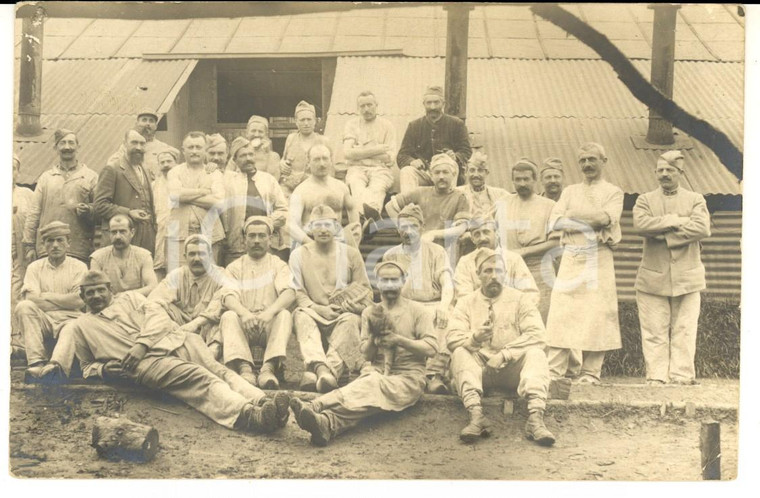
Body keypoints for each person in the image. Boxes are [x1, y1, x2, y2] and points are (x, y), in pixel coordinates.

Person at [69, 270, 290, 433]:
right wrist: (104, 369)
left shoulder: (130, 298)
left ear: (111, 290)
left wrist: (142, 343)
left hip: (176, 340)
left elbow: (159, 318)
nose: (96, 296)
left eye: (100, 290)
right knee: (200, 378)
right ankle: (247, 415)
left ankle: (264, 403)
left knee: (219, 370)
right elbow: (87, 367)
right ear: (83, 298)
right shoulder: (80, 326)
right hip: (147, 364)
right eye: (90, 293)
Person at [290, 260, 437, 446]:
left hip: (408, 378)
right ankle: (326, 423)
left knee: (372, 384)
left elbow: (431, 348)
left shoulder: (418, 311)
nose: (390, 285)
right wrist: (374, 341)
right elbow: (366, 355)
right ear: (377, 282)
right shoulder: (370, 312)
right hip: (375, 372)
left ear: (404, 280)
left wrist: (399, 340)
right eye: (385, 280)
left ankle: (317, 404)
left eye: (394, 280)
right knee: (368, 391)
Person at [447, 248, 555, 446]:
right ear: (478, 275)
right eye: (487, 271)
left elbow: (538, 334)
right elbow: (452, 337)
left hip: (512, 372)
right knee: (460, 352)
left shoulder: (520, 299)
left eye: (498, 271)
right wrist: (474, 338)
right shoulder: (465, 302)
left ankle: (536, 419)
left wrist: (506, 354)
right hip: (480, 372)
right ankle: (476, 416)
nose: (494, 276)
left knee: (536, 353)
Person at [545, 143, 624, 385]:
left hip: (599, 255)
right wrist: (588, 219)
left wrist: (573, 217)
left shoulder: (614, 192)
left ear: (604, 160)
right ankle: (554, 371)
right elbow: (555, 222)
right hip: (572, 254)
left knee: (597, 312)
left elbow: (605, 218)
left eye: (592, 159)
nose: (587, 165)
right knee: (561, 310)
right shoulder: (569, 191)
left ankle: (590, 373)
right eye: (583, 161)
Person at [633, 150, 711, 385]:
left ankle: (681, 375)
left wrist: (664, 235)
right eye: (660, 170)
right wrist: (677, 220)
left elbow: (702, 228)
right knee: (654, 330)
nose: (664, 174)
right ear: (655, 173)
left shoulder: (696, 199)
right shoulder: (644, 200)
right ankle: (657, 376)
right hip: (652, 277)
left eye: (670, 170)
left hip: (688, 277)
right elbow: (641, 224)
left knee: (685, 329)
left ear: (680, 172)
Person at [290, 205, 373, 393]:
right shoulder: (298, 255)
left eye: (328, 224)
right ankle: (320, 367)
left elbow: (366, 289)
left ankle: (325, 373)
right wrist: (318, 308)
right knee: (300, 315)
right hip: (314, 311)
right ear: (310, 228)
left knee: (351, 320)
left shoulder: (351, 253)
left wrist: (353, 304)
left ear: (336, 227)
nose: (323, 230)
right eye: (317, 225)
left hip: (343, 313)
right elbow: (297, 292)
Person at [381, 204, 454, 394]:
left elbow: (447, 282)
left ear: (422, 226)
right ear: (398, 230)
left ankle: (434, 375)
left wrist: (444, 306)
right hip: (405, 305)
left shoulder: (436, 251)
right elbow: (386, 288)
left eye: (413, 226)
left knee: (446, 318)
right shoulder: (391, 255)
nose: (408, 231)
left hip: (432, 303)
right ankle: (393, 373)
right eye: (403, 227)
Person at [218, 216, 295, 389]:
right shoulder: (234, 267)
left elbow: (289, 293)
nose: (256, 240)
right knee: (229, 316)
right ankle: (245, 368)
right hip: (244, 325)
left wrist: (269, 313)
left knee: (284, 314)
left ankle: (268, 368)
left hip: (268, 325)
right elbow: (228, 296)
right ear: (244, 239)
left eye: (262, 236)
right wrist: (245, 314)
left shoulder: (278, 265)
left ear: (270, 239)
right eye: (251, 236)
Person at [16, 222, 87, 377]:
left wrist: (47, 296)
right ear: (43, 245)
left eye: (60, 240)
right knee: (24, 306)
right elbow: (31, 299)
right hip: (45, 320)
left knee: (74, 325)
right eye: (50, 241)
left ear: (68, 243)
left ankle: (56, 367)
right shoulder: (34, 267)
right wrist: (64, 301)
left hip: (70, 319)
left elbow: (79, 301)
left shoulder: (79, 267)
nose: (55, 245)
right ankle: (36, 362)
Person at [144, 235, 227, 361]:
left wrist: (195, 323)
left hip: (208, 327)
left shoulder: (221, 275)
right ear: (185, 257)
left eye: (201, 254)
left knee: (226, 316)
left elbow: (219, 305)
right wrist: (171, 324)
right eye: (192, 254)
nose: (197, 259)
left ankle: (209, 357)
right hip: (180, 327)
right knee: (160, 308)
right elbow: (154, 300)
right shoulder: (177, 275)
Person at [23, 129, 98, 263]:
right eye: (62, 143)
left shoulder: (90, 176)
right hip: (48, 248)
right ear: (56, 148)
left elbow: (100, 210)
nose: (67, 147)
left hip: (78, 249)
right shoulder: (46, 178)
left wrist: (89, 210)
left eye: (71, 143)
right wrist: (29, 245)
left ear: (78, 146)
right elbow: (34, 213)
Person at [500, 158, 560, 322]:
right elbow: (484, 226)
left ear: (535, 180)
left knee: (540, 321)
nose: (522, 183)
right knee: (511, 320)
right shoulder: (503, 203)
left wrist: (523, 251)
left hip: (539, 270)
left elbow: (556, 242)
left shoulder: (549, 206)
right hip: (510, 271)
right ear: (512, 181)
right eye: (518, 180)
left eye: (526, 179)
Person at [386, 153, 470, 258]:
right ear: (431, 175)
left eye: (445, 172)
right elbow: (390, 206)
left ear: (453, 174)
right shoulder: (420, 192)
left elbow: (461, 228)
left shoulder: (460, 197)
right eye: (437, 172)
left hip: (445, 250)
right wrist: (402, 226)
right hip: (417, 247)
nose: (441, 176)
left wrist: (433, 234)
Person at [221, 137, 288, 265]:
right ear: (234, 160)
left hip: (266, 246)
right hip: (237, 248)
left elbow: (283, 209)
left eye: (251, 154)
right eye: (243, 156)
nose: (248, 158)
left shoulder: (268, 180)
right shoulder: (228, 181)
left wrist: (266, 223)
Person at [397, 85, 472, 193]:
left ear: (443, 104)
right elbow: (402, 155)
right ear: (424, 104)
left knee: (451, 164)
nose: (432, 107)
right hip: (424, 173)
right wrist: (412, 161)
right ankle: (410, 207)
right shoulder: (414, 126)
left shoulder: (457, 124)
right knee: (407, 171)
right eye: (429, 103)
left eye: (436, 102)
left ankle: (448, 207)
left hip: (447, 173)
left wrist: (455, 156)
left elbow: (466, 151)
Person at [167, 131, 225, 267]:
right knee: (179, 274)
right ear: (183, 150)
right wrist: (203, 192)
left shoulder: (214, 172)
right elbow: (175, 195)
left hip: (211, 233)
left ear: (205, 150)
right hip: (179, 233)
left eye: (198, 147)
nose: (194, 151)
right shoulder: (174, 172)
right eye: (190, 147)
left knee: (210, 273)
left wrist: (186, 197)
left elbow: (219, 202)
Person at [95, 129, 157, 256]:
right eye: (134, 143)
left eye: (142, 144)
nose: (138, 147)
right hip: (120, 238)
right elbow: (99, 205)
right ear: (124, 144)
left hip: (145, 239)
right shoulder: (112, 169)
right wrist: (129, 213)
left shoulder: (145, 169)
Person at [289, 144, 362, 248]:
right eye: (316, 160)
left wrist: (353, 242)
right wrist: (310, 244)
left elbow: (354, 216)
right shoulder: (300, 191)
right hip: (310, 241)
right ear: (308, 163)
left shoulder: (341, 187)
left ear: (331, 161)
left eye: (325, 159)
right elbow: (292, 225)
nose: (322, 164)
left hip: (338, 242)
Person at [342, 90, 397, 222]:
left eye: (370, 105)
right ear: (358, 108)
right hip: (357, 168)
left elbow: (389, 158)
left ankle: (366, 216)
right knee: (356, 185)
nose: (366, 109)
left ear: (376, 105)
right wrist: (377, 149)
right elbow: (348, 153)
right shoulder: (352, 125)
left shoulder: (387, 126)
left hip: (381, 168)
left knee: (377, 187)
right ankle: (370, 218)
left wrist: (360, 151)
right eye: (362, 106)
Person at [454, 218, 538, 301]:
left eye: (486, 232)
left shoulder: (513, 259)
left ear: (497, 233)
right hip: (478, 312)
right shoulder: (465, 262)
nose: (482, 238)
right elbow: (463, 296)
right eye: (477, 234)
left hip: (511, 311)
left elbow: (530, 293)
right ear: (472, 239)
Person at [90, 214, 158, 296]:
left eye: (122, 231)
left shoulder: (144, 256)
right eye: (114, 232)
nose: (118, 236)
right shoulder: (97, 258)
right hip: (108, 305)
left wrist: (126, 296)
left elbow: (153, 286)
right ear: (109, 234)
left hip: (135, 303)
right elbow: (94, 289)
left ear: (132, 233)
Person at [280, 100, 330, 197]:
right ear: (296, 122)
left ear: (315, 121)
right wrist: (282, 164)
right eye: (302, 120)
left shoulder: (323, 141)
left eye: (309, 119)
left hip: (315, 185)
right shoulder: (291, 139)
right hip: (291, 186)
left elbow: (330, 168)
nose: (306, 123)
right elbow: (284, 159)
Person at [107, 109, 171, 182]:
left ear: (156, 126)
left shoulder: (163, 147)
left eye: (151, 121)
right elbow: (113, 164)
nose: (148, 124)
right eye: (144, 120)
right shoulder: (127, 145)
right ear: (137, 124)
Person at [12, 154, 35, 357]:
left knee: (18, 294)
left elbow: (33, 221)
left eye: (13, 168)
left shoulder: (26, 194)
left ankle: (18, 344)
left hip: (18, 257)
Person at [456, 151, 511, 219]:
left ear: (487, 173)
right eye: (472, 170)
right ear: (466, 172)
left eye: (480, 170)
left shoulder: (501, 194)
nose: (476, 175)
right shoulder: (457, 193)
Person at [152, 147, 180, 280]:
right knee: (159, 265)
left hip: (179, 230)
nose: (166, 165)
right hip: (160, 231)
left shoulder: (182, 182)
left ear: (176, 163)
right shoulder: (153, 185)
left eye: (169, 161)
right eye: (162, 163)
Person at [245, 115, 281, 180]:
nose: (256, 134)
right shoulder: (238, 154)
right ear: (247, 133)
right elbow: (229, 176)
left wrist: (267, 154)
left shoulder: (273, 156)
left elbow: (273, 181)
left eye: (260, 131)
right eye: (253, 131)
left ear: (266, 134)